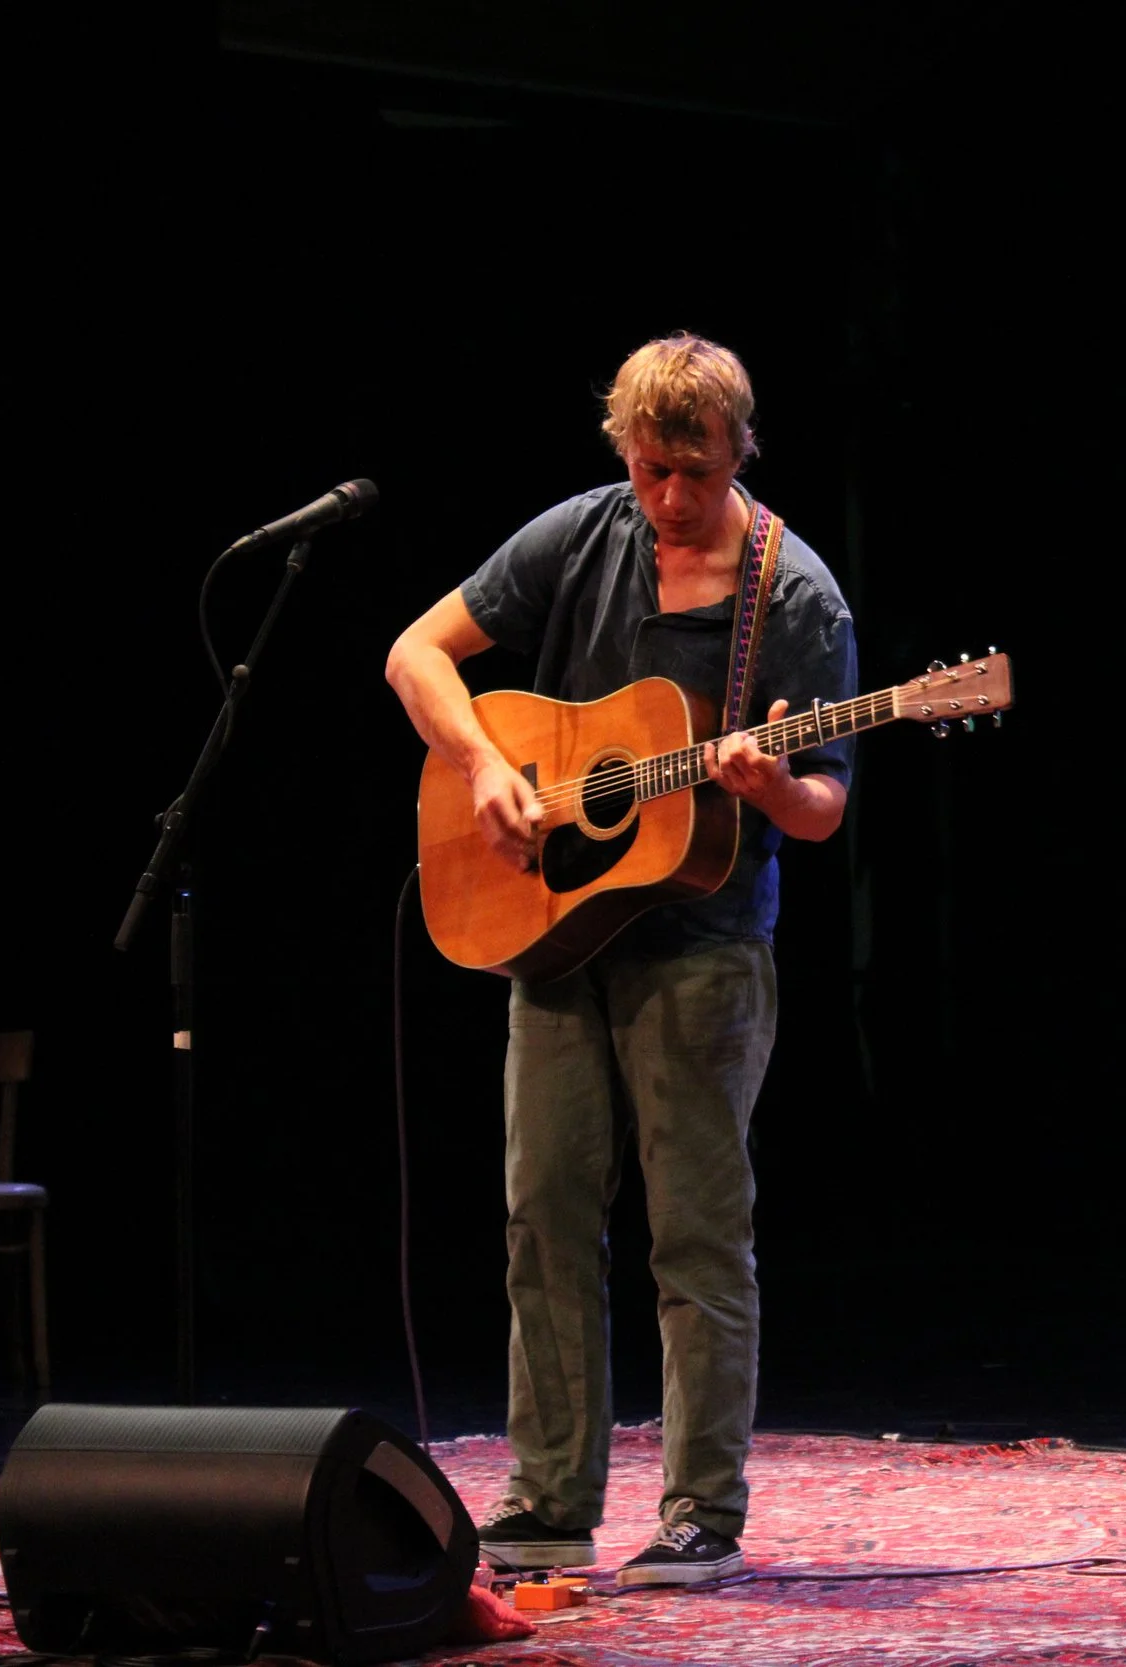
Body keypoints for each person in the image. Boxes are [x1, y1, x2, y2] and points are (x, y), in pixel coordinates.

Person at [384, 333, 857, 1586]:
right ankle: (549, 1496)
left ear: (739, 451)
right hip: (556, 931)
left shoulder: (796, 597)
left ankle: (703, 1509)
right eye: (651, 470)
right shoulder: (585, 532)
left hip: (702, 950)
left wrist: (769, 784)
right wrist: (486, 765)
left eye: (695, 472)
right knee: (541, 1216)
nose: (670, 497)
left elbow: (824, 804)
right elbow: (415, 652)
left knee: (694, 1234)